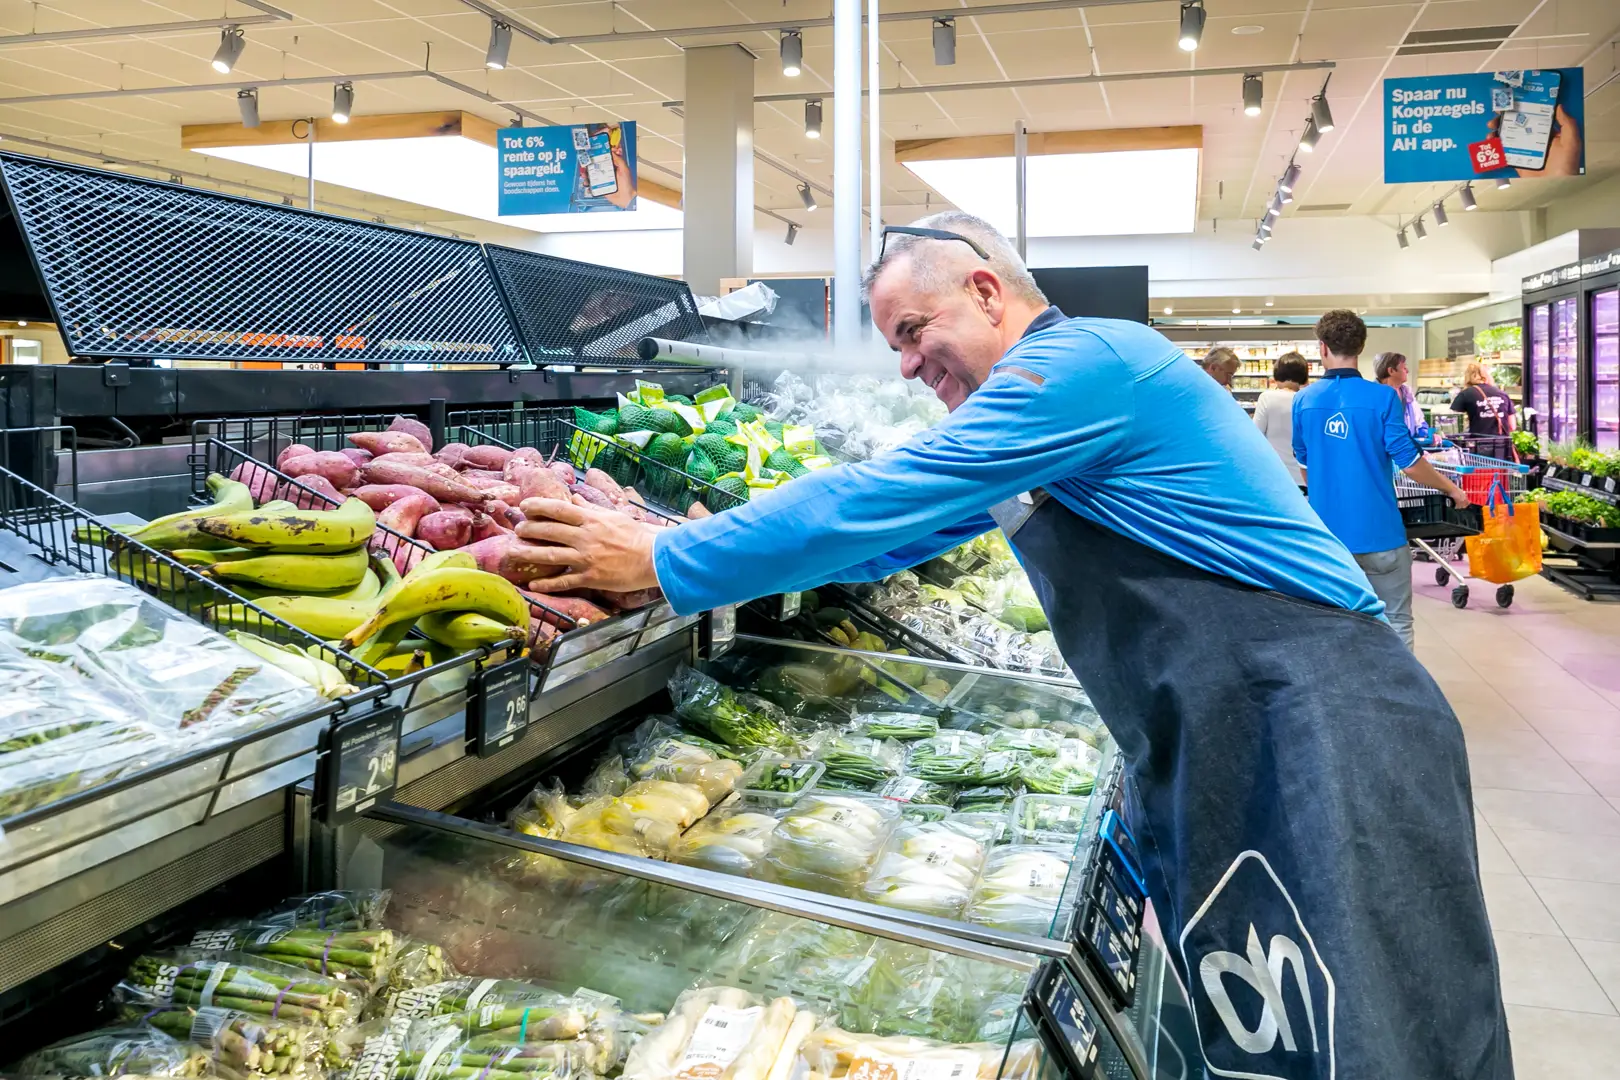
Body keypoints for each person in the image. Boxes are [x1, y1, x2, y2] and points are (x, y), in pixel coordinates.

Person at [519, 213, 1510, 1080]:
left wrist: (668, 555)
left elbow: (889, 492)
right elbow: (896, 533)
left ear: (988, 293)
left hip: (1320, 726)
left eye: (914, 330)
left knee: (1369, 1028)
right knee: (1284, 1028)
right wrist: (730, 534)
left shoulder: (1083, 365)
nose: (905, 364)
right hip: (1246, 727)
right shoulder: (1042, 417)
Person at [1293, 311, 1470, 652]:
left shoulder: (1305, 400)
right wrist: (1451, 488)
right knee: (1396, 620)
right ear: (1360, 347)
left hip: (1327, 538)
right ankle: (1402, 698)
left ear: (1322, 347)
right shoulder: (1383, 397)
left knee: (1333, 621)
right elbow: (1408, 460)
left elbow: (1305, 464)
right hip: (1381, 534)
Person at [1251, 351, 1308, 484]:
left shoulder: (1267, 397)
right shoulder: (1307, 399)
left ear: (1277, 374)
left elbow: (1256, 435)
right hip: (1303, 475)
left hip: (1275, 474)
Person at [1451, 360, 1516, 460]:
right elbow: (1512, 426)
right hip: (1502, 448)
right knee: (1500, 474)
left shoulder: (1465, 394)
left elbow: (1453, 423)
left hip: (1477, 449)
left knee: (1478, 474)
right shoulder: (1502, 394)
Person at [1375, 350, 1435, 445]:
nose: (1407, 371)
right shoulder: (1374, 395)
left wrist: (1430, 436)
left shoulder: (1407, 394)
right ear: (1391, 371)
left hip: (1406, 450)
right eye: (1404, 368)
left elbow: (1419, 422)